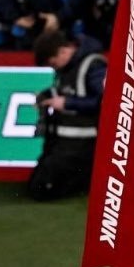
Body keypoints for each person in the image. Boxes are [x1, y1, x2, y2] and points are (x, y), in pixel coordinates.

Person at [27, 31, 106, 201]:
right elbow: (65, 90)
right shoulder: (67, 68)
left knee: (42, 190)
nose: (55, 67)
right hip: (63, 143)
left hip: (84, 143)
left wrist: (67, 103)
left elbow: (106, 101)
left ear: (63, 51)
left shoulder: (93, 65)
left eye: (54, 63)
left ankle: (84, 180)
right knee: (37, 185)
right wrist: (46, 95)